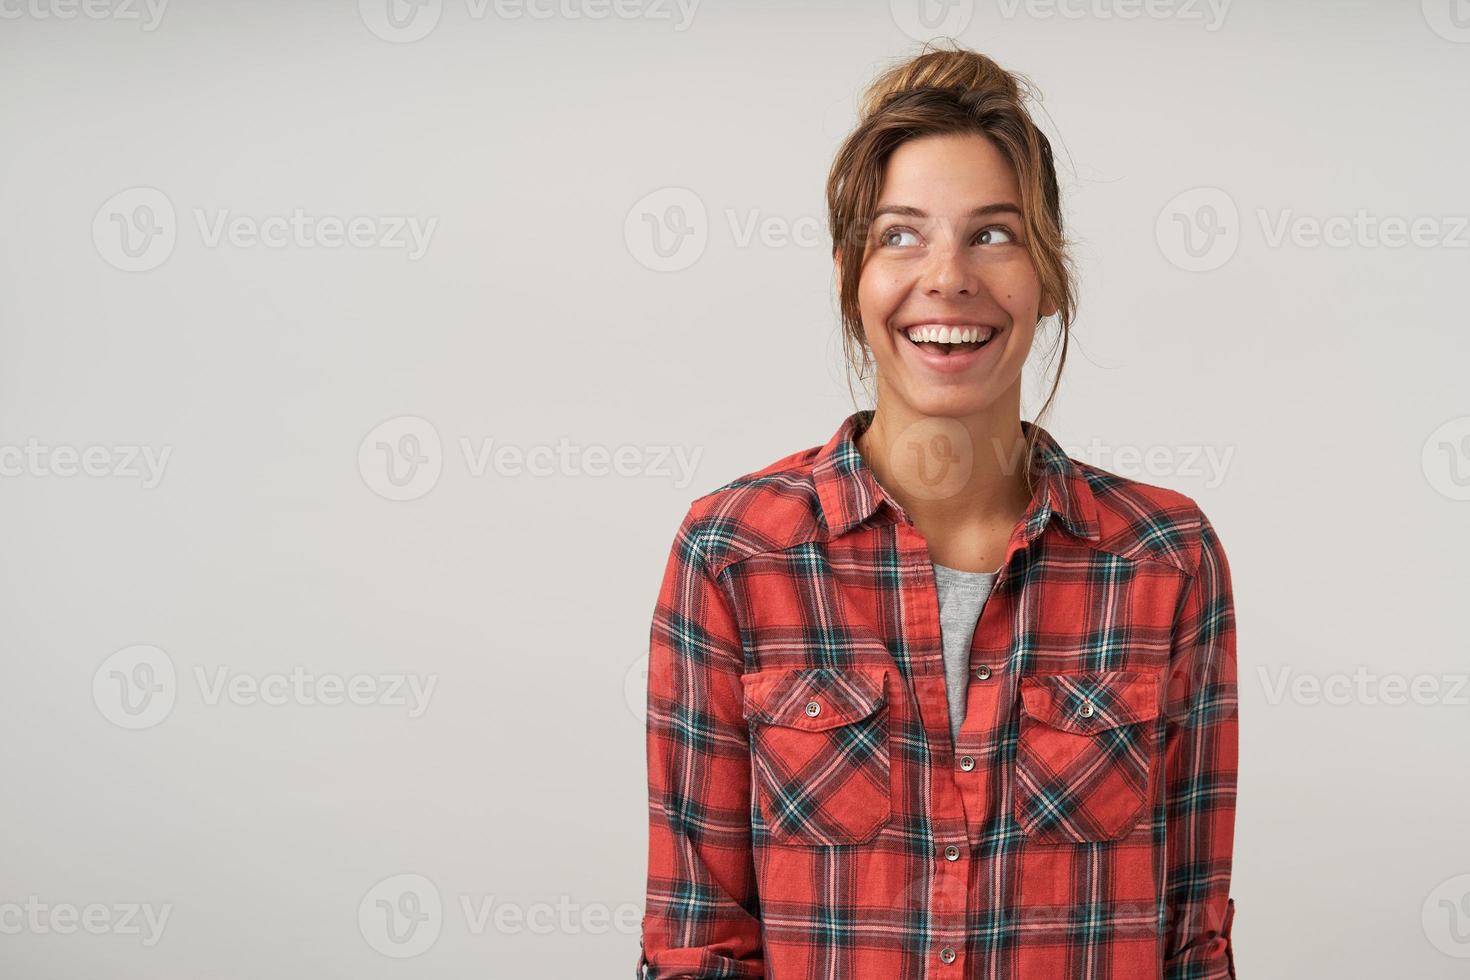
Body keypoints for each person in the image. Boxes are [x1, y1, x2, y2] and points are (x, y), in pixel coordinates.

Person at [637, 42, 1238, 979]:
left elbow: (1194, 942)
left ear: (1049, 277)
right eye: (901, 234)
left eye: (992, 234)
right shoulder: (733, 555)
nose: (948, 276)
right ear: (851, 276)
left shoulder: (1166, 559)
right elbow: (697, 942)